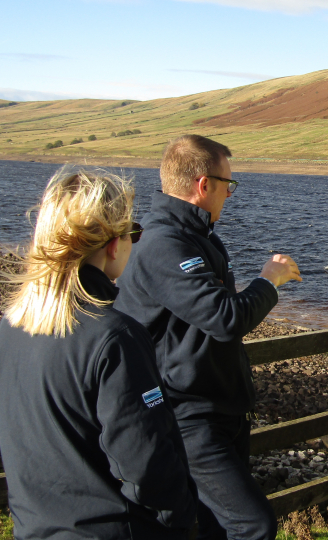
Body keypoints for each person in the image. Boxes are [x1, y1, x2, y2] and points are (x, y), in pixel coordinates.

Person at [0, 167, 198, 539]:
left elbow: (1, 416)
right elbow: (146, 461)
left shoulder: (12, 324)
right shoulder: (115, 337)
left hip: (34, 527)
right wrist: (181, 520)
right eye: (133, 231)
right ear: (113, 244)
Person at [114, 135, 302, 540]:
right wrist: (269, 281)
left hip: (221, 409)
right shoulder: (165, 244)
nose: (229, 195)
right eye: (227, 185)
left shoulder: (197, 236)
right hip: (189, 416)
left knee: (217, 526)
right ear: (203, 184)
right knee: (253, 524)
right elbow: (225, 317)